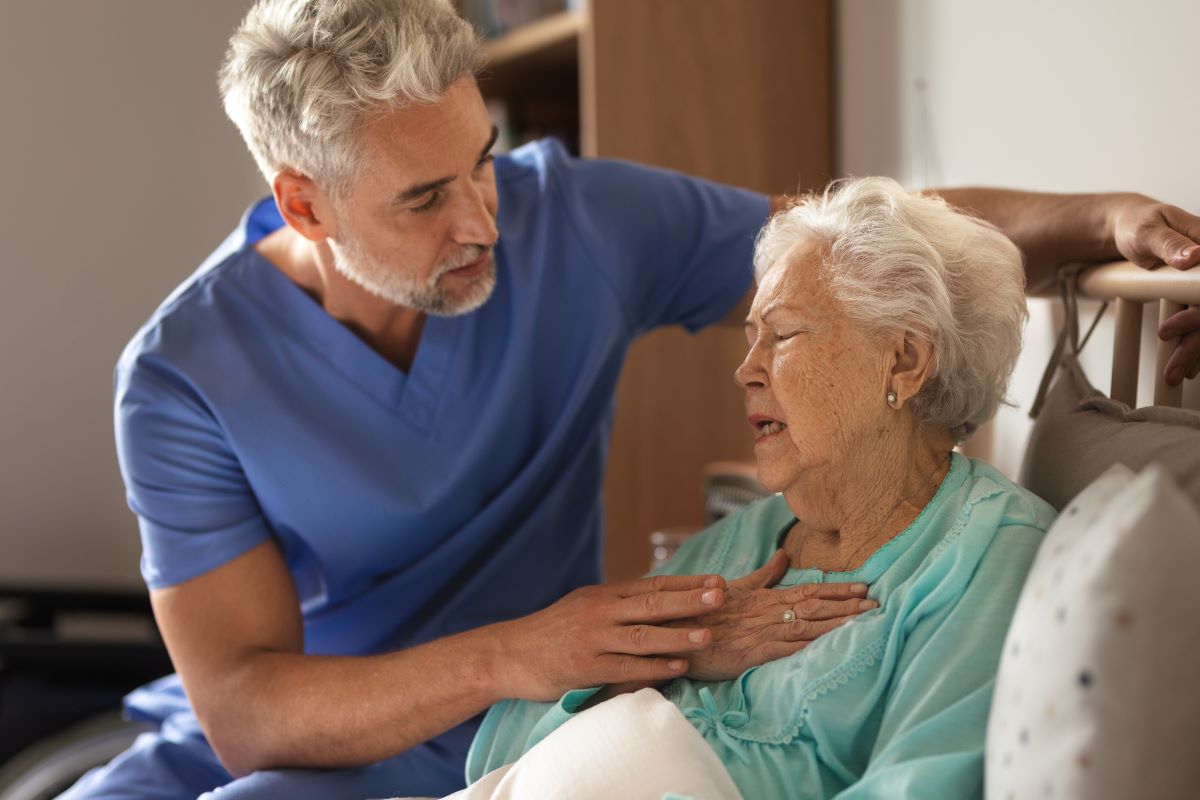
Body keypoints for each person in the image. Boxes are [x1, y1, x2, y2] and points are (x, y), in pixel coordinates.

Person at [65, 0, 1200, 798]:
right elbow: (249, 713)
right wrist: (527, 653)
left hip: (535, 704)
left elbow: (867, 245)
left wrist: (1106, 220)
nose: (482, 219)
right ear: (303, 205)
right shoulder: (180, 375)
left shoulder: (577, 221)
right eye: (424, 197)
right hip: (334, 736)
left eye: (483, 156)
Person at [460, 178, 1054, 799]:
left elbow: (919, 786)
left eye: (785, 335)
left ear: (904, 362)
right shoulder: (733, 547)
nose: (746, 372)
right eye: (751, 340)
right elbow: (494, 755)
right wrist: (672, 656)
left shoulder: (985, 555)